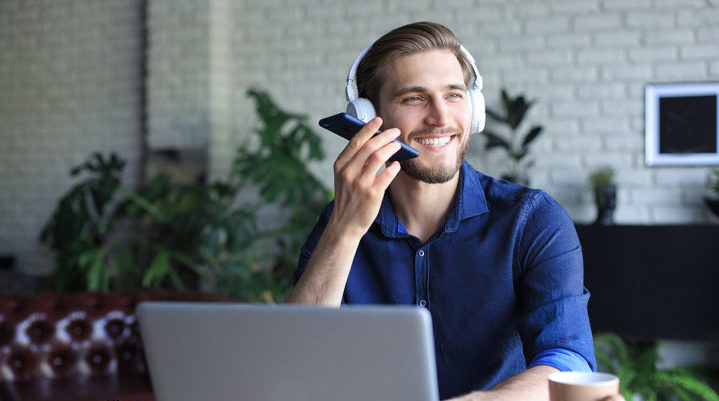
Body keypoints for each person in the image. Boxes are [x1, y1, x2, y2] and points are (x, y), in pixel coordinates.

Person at [287, 21, 619, 401]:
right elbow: (296, 360)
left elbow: (569, 360)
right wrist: (344, 233)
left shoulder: (532, 220)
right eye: (414, 98)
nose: (441, 117)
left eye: (454, 95)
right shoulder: (339, 223)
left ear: (474, 108)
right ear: (366, 118)